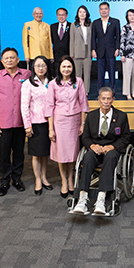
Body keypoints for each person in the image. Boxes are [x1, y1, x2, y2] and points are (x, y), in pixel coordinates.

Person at [72, 87, 130, 216]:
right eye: (103, 98)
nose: (106, 101)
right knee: (87, 158)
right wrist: (92, 145)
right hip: (95, 148)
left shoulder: (121, 116)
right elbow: (85, 137)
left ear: (113, 100)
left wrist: (113, 146)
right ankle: (82, 197)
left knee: (110, 157)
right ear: (98, 99)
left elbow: (126, 137)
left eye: (109, 98)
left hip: (112, 149)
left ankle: (101, 198)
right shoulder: (91, 116)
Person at [0, 47, 31, 196]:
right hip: (3, 122)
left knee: (19, 152)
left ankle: (17, 178)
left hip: (20, 121)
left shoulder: (26, 74)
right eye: (6, 58)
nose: (9, 60)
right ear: (2, 60)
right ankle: (4, 180)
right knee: (4, 154)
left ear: (18, 60)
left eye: (12, 58)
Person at [45, 56, 89, 198]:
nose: (66, 69)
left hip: (74, 121)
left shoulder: (78, 82)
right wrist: (51, 129)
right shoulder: (53, 84)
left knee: (72, 153)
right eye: (64, 67)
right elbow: (49, 107)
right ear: (59, 68)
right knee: (61, 153)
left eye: (69, 66)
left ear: (72, 68)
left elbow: (83, 104)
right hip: (59, 122)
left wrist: (83, 124)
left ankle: (71, 178)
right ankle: (64, 180)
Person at [21, 56, 53, 195]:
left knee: (45, 153)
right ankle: (37, 180)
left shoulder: (52, 82)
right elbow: (24, 106)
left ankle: (44, 177)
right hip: (35, 123)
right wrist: (27, 126)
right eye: (38, 65)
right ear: (33, 67)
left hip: (50, 123)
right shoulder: (28, 84)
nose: (41, 68)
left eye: (43, 65)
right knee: (36, 155)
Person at [91, 2, 121, 91]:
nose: (104, 11)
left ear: (109, 10)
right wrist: (93, 49)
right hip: (99, 51)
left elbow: (118, 37)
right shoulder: (95, 22)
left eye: (105, 9)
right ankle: (101, 93)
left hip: (111, 51)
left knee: (112, 73)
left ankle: (112, 93)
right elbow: (93, 37)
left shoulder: (115, 21)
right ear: (99, 11)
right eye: (102, 9)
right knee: (100, 74)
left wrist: (117, 48)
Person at [119, 8, 134, 100]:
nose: (132, 17)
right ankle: (127, 94)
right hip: (127, 54)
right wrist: (122, 54)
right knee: (127, 74)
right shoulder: (125, 28)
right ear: (127, 17)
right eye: (130, 15)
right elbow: (122, 41)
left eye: (133, 15)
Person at [70, 5, 93, 95]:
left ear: (86, 13)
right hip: (77, 51)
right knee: (77, 74)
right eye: (80, 12)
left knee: (87, 74)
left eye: (84, 12)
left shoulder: (90, 24)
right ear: (77, 14)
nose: (82, 14)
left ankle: (86, 91)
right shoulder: (73, 25)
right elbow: (72, 40)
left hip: (88, 51)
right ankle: (77, 91)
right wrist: (72, 53)